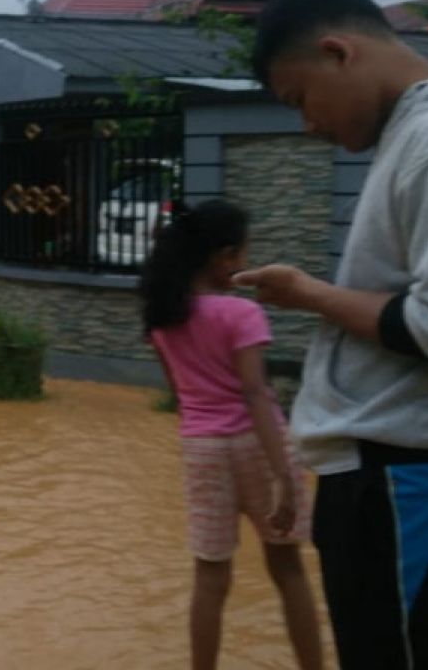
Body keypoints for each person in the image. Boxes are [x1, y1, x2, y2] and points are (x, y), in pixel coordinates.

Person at [235, 0, 428, 669]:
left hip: (404, 482)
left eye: (301, 100)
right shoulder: (409, 138)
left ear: (337, 52)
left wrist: (309, 294)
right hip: (380, 482)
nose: (308, 125)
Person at [141, 200, 322, 670]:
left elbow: (180, 392)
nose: (244, 263)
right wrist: (284, 475)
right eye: (242, 253)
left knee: (210, 577)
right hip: (258, 445)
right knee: (287, 569)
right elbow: (256, 395)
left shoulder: (163, 319)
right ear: (224, 258)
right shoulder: (242, 315)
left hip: (201, 447)